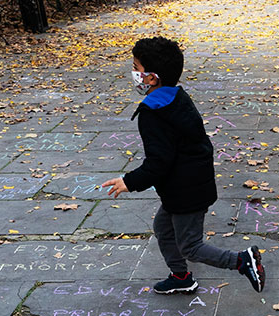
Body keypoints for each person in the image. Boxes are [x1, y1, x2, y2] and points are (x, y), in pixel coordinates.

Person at [100, 36, 266, 295]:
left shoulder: (153, 114)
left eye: (137, 69)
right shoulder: (176, 97)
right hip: (188, 184)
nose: (133, 74)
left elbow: (158, 163)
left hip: (185, 190)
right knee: (163, 228)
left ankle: (242, 261)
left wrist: (129, 182)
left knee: (191, 246)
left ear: (152, 78)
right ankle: (181, 276)